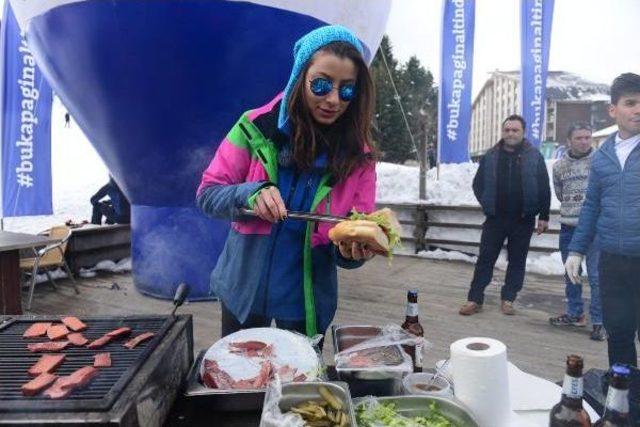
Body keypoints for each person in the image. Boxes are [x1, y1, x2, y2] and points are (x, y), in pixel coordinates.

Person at [196, 25, 377, 340]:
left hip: (306, 307)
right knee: (241, 383)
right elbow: (208, 195)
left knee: (300, 386)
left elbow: (352, 236)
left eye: (346, 89)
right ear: (299, 78)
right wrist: (251, 195)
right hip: (243, 296)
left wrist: (352, 253)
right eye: (321, 84)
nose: (333, 99)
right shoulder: (254, 128)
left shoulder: (359, 158)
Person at [566, 73, 640, 367]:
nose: (638, 110)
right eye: (630, 103)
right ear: (613, 110)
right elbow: (591, 207)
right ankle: (625, 403)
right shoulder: (602, 157)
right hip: (612, 261)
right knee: (620, 335)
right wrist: (576, 249)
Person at [459, 114, 550, 316]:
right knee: (485, 259)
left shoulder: (534, 156)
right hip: (495, 219)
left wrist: (543, 215)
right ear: (503, 131)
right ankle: (475, 299)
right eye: (507, 130)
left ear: (523, 132)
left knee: (517, 261)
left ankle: (508, 298)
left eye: (515, 130)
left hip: (523, 219)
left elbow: (544, 187)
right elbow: (478, 184)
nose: (510, 133)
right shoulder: (491, 156)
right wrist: (487, 203)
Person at [548, 122, 605, 341]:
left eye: (587, 137)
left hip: (595, 228)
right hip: (569, 227)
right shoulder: (559, 166)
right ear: (569, 141)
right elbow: (560, 193)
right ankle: (575, 313)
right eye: (579, 138)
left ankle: (599, 321)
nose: (584, 141)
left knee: (596, 275)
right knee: (571, 272)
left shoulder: (601, 162)